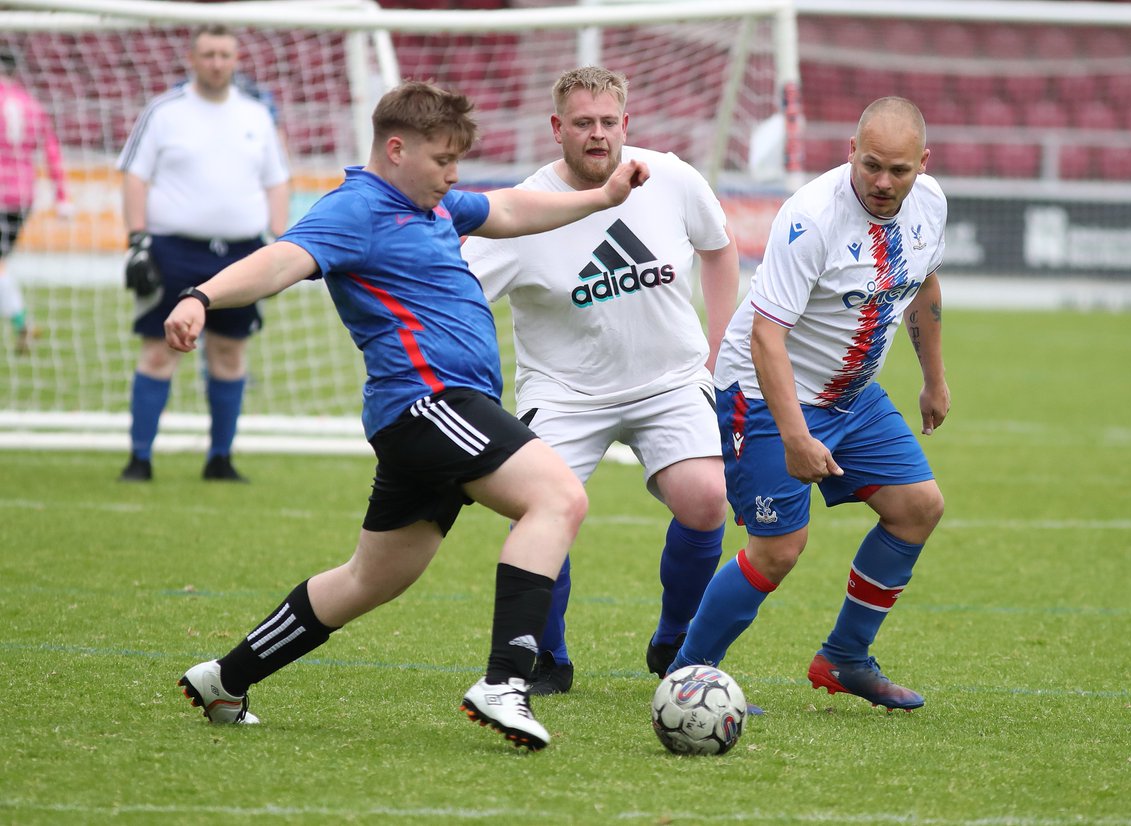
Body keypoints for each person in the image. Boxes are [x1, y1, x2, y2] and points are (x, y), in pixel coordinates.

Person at [164, 80, 650, 751]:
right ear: (397, 149)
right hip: (430, 403)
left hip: (432, 414)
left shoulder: (434, 204)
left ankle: (225, 677)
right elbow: (282, 260)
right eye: (442, 161)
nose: (453, 176)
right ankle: (507, 681)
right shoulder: (357, 208)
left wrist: (600, 197)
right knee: (558, 497)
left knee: (374, 577)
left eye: (457, 163)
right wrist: (199, 296)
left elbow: (506, 207)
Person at [461, 66, 740, 696]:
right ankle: (547, 655)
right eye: (583, 124)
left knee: (705, 498)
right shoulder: (524, 210)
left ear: (626, 124)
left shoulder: (669, 177)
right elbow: (458, 294)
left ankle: (676, 643)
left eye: (608, 123)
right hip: (564, 393)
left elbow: (720, 249)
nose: (598, 136)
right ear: (557, 129)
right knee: (542, 506)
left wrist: (718, 351)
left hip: (669, 380)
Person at [667, 97, 949, 711]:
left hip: (851, 396)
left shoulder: (930, 203)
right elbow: (768, 335)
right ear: (850, 150)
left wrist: (934, 379)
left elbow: (923, 281)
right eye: (870, 164)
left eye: (898, 171)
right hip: (766, 393)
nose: (882, 182)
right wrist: (795, 436)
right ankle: (687, 676)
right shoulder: (811, 218)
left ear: (922, 165)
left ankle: (844, 657)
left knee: (918, 507)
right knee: (779, 548)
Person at [116, 24, 290, 482]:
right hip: (173, 250)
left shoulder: (256, 114)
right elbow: (135, 176)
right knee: (159, 351)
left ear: (236, 60)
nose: (217, 62)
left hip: (241, 254)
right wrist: (137, 242)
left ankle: (220, 459)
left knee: (230, 353)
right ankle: (139, 459)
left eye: (225, 55)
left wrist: (277, 240)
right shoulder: (164, 111)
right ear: (192, 59)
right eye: (209, 54)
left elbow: (276, 181)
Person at [0, 49, 71, 355]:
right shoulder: (31, 104)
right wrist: (62, 196)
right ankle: (20, 322)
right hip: (22, 195)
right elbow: (51, 151)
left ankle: (21, 320)